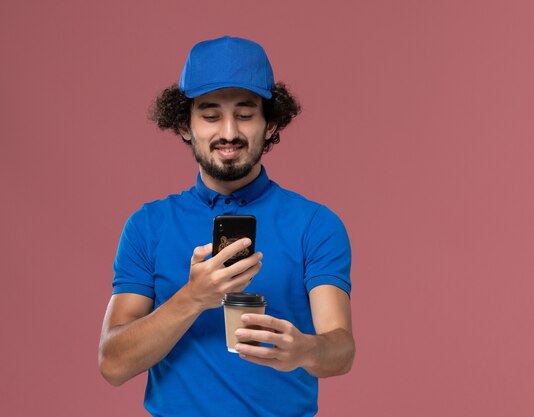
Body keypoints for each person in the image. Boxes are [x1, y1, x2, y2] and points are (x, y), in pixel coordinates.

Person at [98, 36, 355, 417]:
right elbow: (113, 364)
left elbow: (341, 348)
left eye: (246, 114)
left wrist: (305, 350)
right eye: (211, 114)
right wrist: (194, 297)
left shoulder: (315, 225)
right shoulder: (147, 226)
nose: (230, 132)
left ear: (270, 124)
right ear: (185, 125)